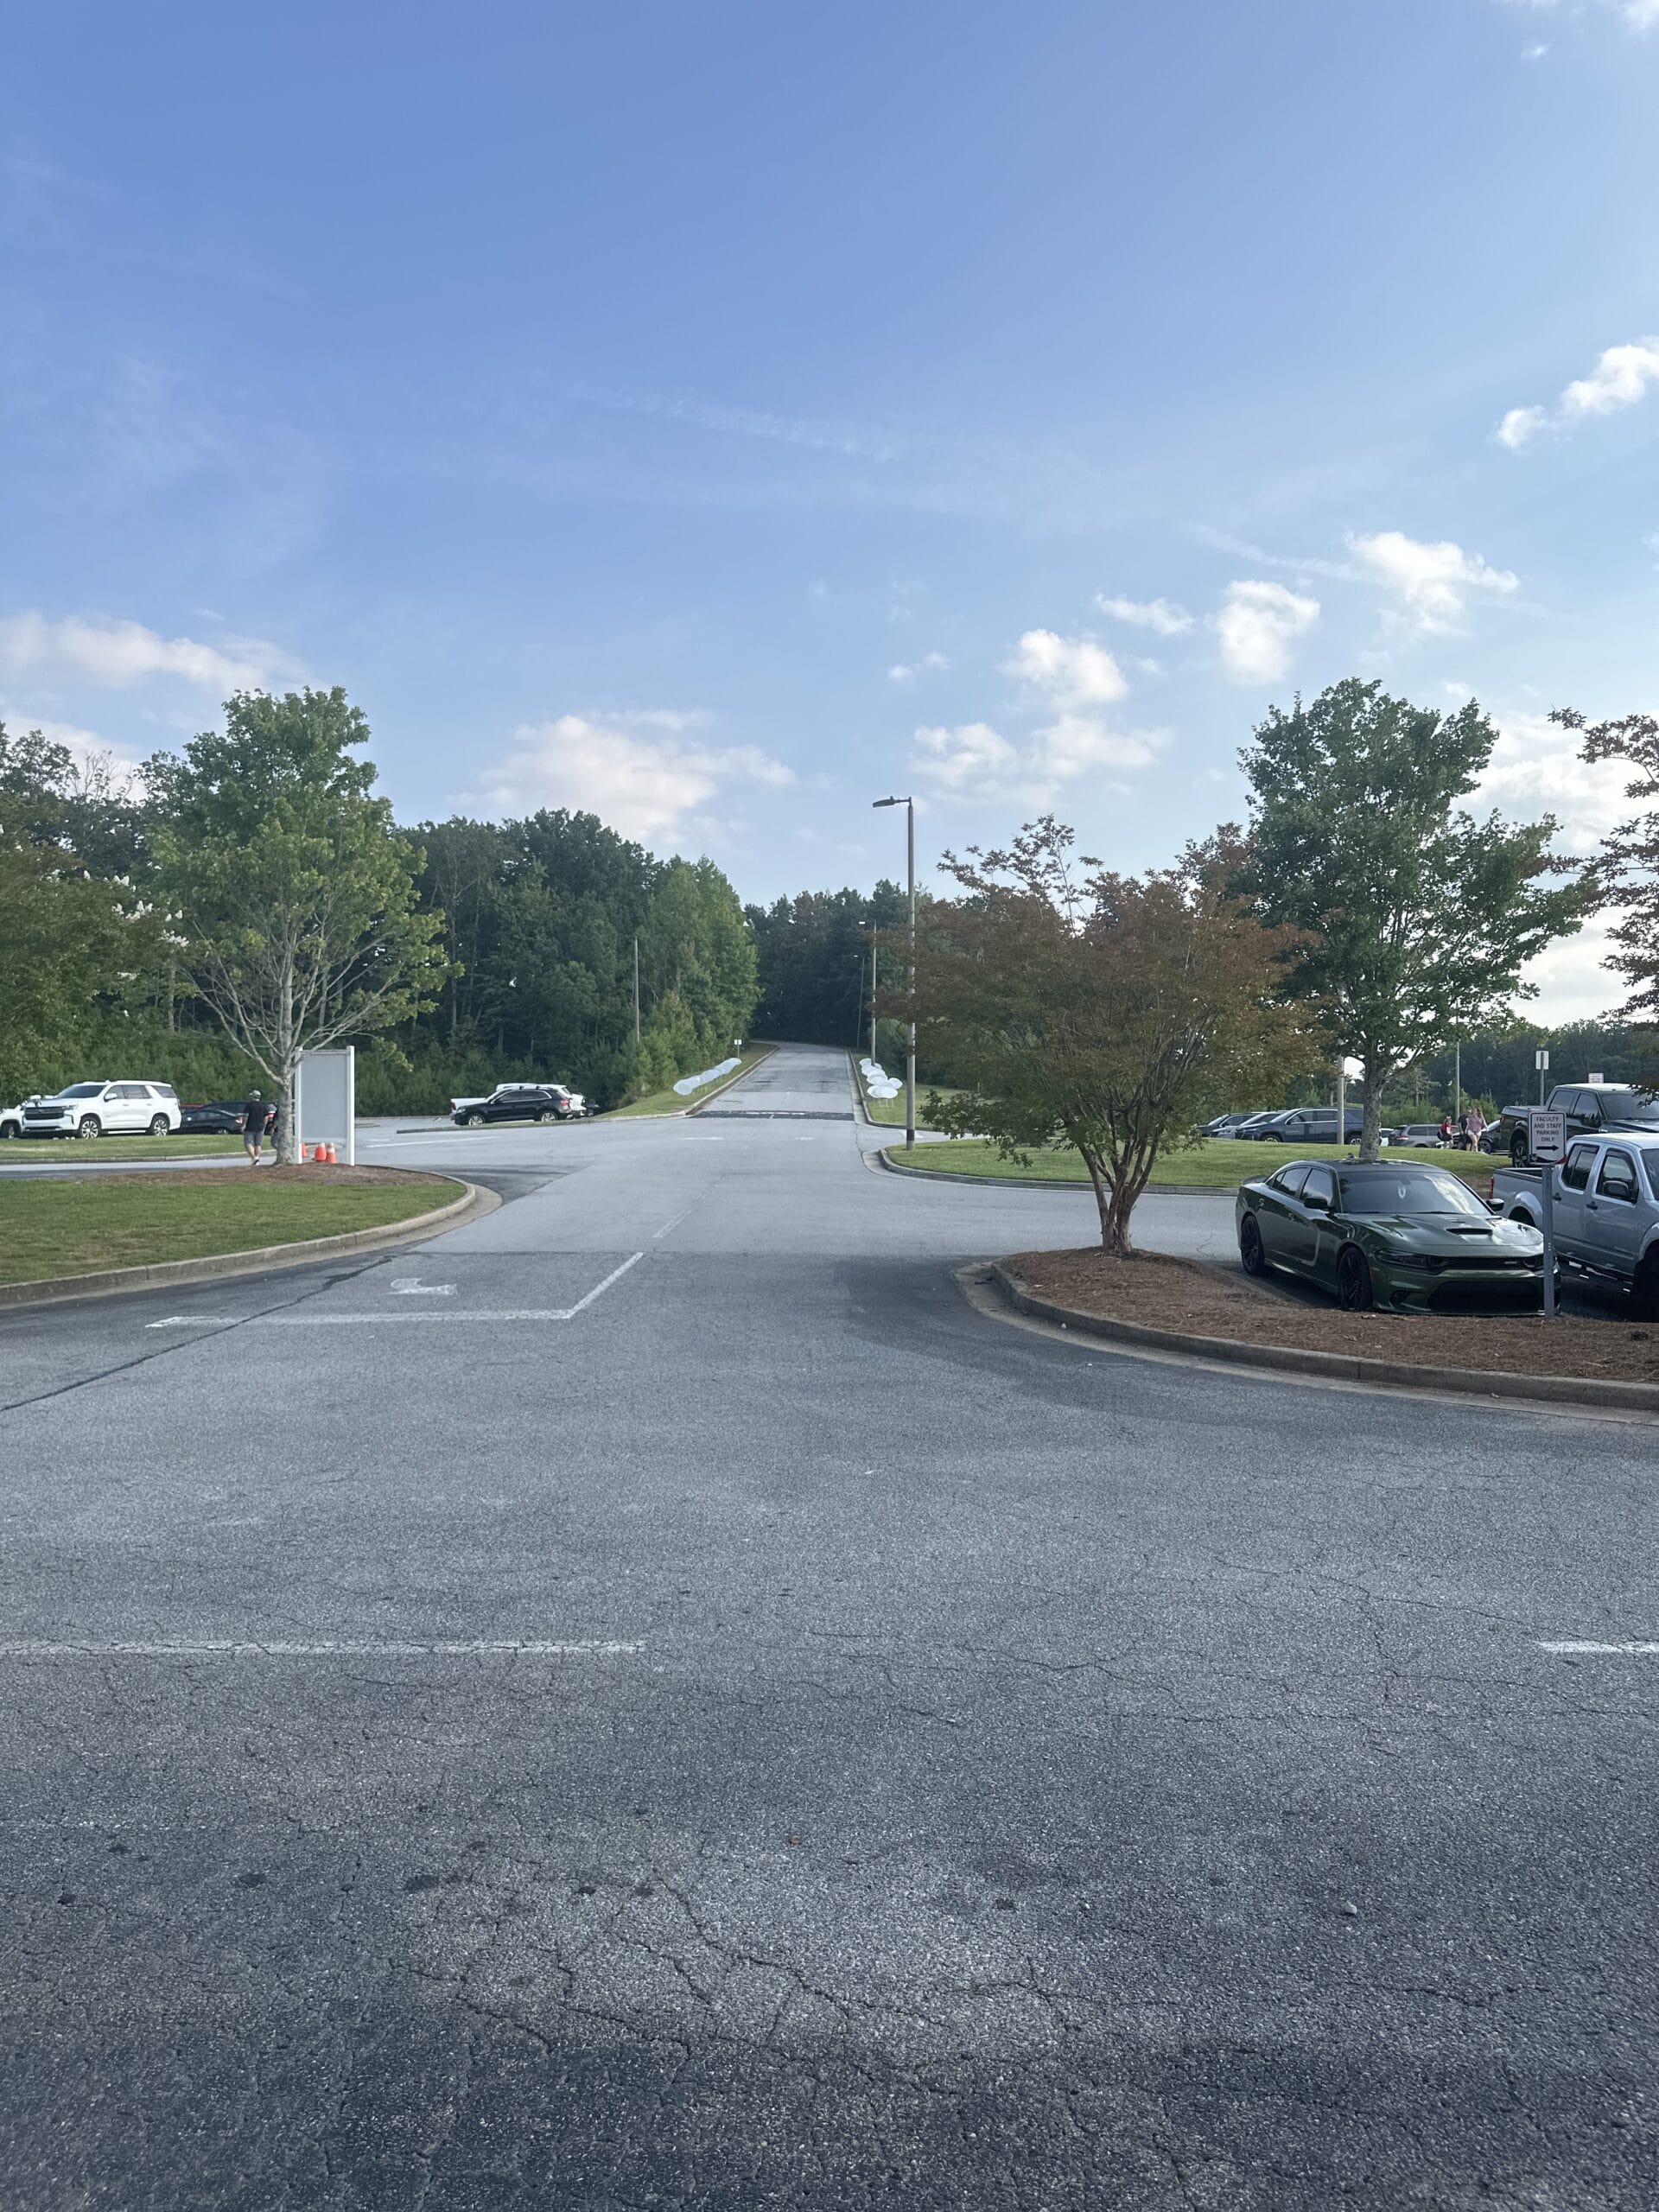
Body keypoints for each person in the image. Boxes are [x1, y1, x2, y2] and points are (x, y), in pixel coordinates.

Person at [243, 1089, 268, 1165]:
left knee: (248, 1143)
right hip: (260, 1127)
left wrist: (244, 1125)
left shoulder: (249, 1106)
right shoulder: (263, 1106)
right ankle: (257, 1158)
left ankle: (253, 1157)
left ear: (252, 1097)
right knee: (258, 1144)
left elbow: (246, 1116)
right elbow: (266, 1117)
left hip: (250, 1127)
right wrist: (264, 1125)